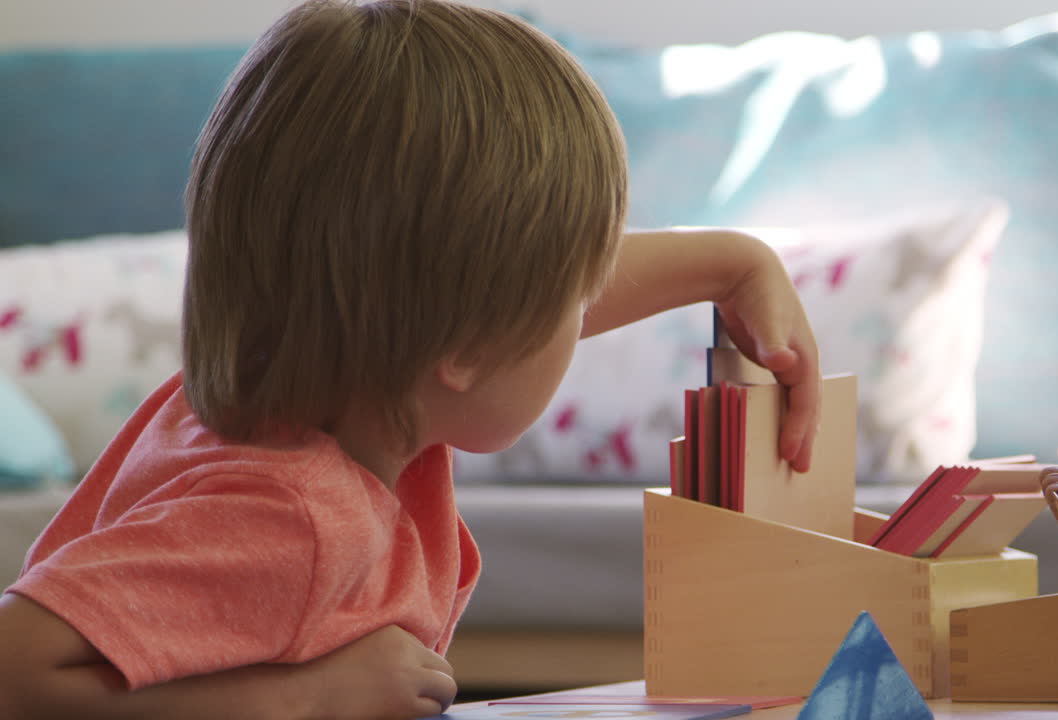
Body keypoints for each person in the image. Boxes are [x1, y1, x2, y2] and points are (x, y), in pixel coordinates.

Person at [0, 1, 820, 718]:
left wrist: (732, 264)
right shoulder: (291, 515)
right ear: (463, 347)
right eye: (571, 303)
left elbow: (506, 304)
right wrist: (307, 700)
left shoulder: (329, 386)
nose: (583, 313)